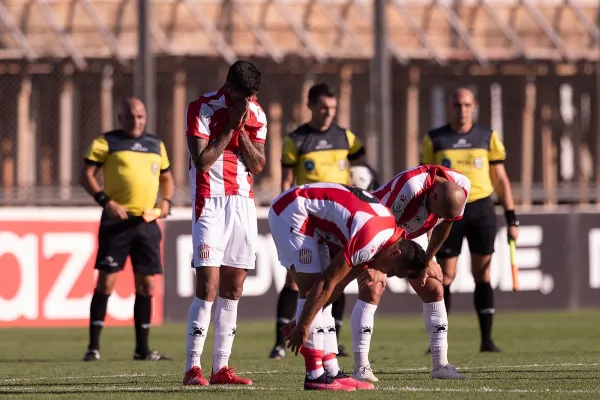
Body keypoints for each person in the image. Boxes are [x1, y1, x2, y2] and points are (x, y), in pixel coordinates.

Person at [270, 183, 438, 390]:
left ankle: (331, 371)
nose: (387, 274)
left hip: (313, 219)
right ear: (396, 254)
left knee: (321, 295)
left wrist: (305, 316)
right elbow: (325, 283)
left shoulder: (386, 239)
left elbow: (339, 285)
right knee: (311, 286)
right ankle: (314, 375)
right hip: (293, 209)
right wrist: (303, 326)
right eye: (393, 271)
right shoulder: (372, 240)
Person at [183, 60, 267, 386]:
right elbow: (202, 162)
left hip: (243, 204)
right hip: (210, 202)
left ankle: (221, 368)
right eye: (242, 96)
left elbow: (258, 163)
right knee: (208, 286)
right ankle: (193, 368)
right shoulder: (201, 108)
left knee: (233, 287)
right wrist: (230, 127)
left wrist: (242, 129)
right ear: (229, 87)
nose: (247, 103)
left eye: (252, 96)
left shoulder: (256, 113)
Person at [269, 83, 366, 360]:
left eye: (333, 108)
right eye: (323, 107)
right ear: (310, 106)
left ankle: (332, 337)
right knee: (295, 281)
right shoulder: (296, 140)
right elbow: (287, 182)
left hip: (338, 219)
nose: (328, 113)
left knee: (339, 274)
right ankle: (279, 343)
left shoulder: (345, 137)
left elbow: (360, 168)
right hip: (307, 219)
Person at [347, 164, 469, 382]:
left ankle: (441, 364)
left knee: (433, 287)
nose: (437, 216)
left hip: (413, 231)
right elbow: (380, 226)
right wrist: (375, 265)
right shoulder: (410, 187)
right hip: (378, 227)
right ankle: (361, 367)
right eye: (437, 211)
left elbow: (445, 225)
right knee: (373, 287)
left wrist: (429, 259)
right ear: (431, 194)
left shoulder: (462, 187)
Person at [420, 87, 519, 352]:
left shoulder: (487, 136)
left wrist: (512, 218)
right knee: (446, 275)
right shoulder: (435, 139)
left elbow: (501, 180)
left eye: (466, 105)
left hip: (481, 209)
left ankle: (486, 340)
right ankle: (439, 340)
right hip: (449, 214)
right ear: (449, 107)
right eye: (456, 105)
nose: (461, 110)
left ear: (473, 106)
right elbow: (427, 182)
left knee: (482, 273)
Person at [80, 97, 174, 362]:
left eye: (141, 117)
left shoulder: (156, 145)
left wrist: (165, 202)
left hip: (146, 224)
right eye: (131, 116)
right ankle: (93, 347)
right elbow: (86, 175)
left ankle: (142, 349)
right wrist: (105, 201)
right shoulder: (106, 142)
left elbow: (167, 178)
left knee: (146, 286)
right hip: (116, 223)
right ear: (120, 117)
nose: (136, 121)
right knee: (106, 283)